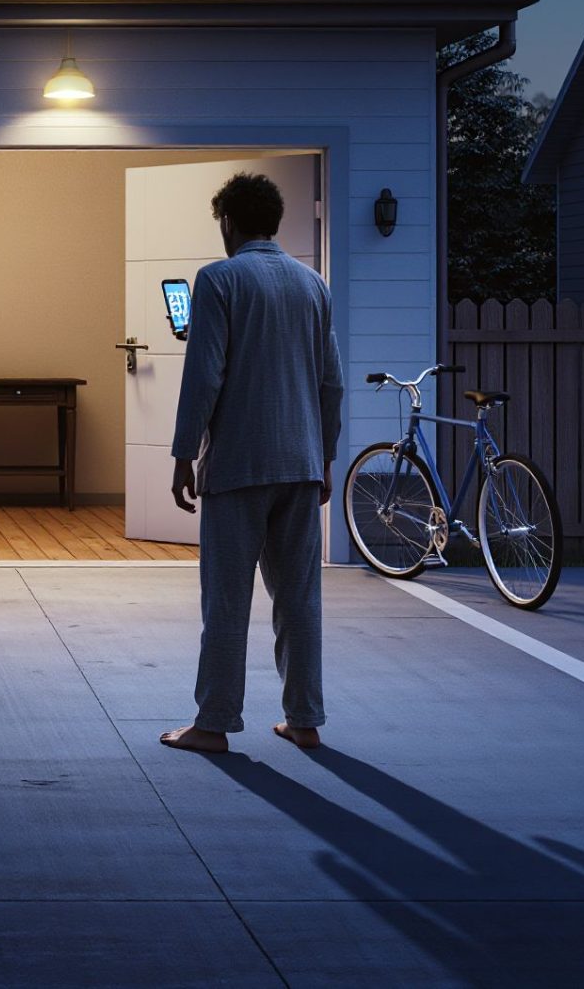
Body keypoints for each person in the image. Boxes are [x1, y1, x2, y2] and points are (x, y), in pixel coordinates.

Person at [158, 172, 342, 755]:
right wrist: (326, 456)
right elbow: (330, 383)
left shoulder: (219, 279)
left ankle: (213, 724)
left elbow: (204, 373)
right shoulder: (313, 285)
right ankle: (305, 720)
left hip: (239, 464)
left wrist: (184, 452)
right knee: (299, 599)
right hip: (302, 461)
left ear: (228, 223)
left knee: (227, 600)